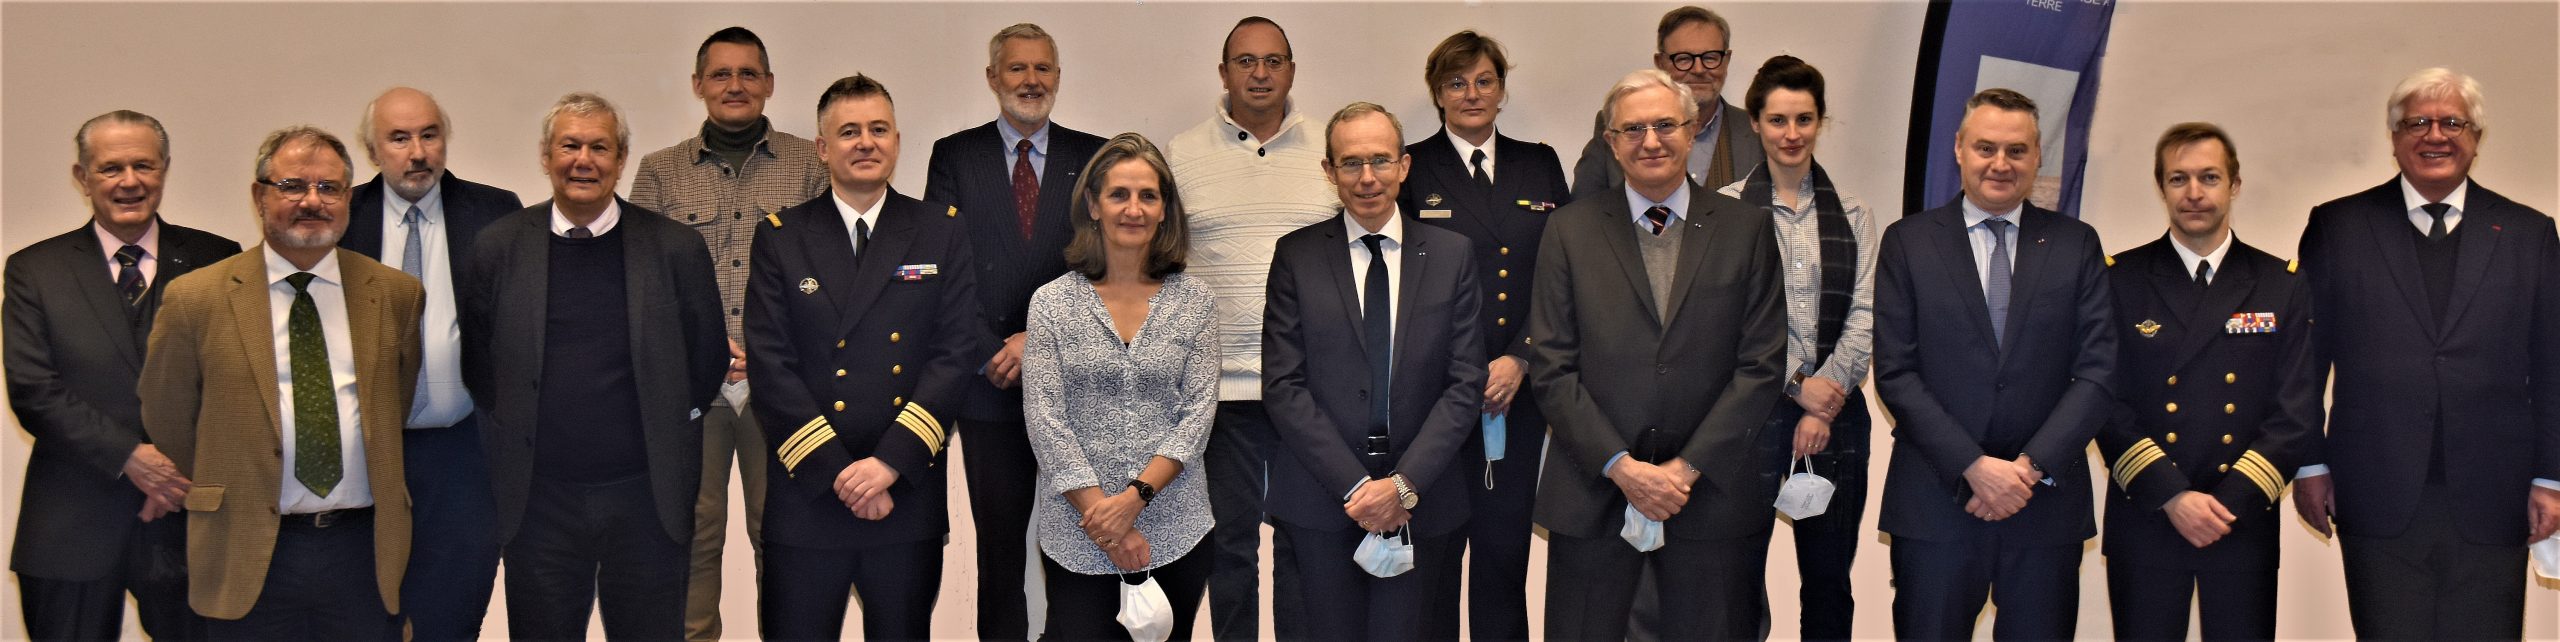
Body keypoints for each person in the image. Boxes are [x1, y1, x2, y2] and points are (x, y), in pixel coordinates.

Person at [2291, 67, 2560, 639]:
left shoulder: (2528, 233)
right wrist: (2310, 464)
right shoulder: (2339, 227)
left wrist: (2551, 477)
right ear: (2394, 138)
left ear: (2476, 138)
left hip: (2496, 492)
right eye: (2417, 123)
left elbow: (2553, 366)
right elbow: (2304, 360)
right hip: (2375, 488)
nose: (2435, 135)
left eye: (2452, 123)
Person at [1525, 68, 1787, 641]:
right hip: (1593, 493)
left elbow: (1762, 365)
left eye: (1666, 125)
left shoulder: (1746, 230)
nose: (1651, 141)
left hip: (1710, 497)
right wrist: (1623, 468)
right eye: (1633, 129)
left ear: (1691, 131)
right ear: (1611, 142)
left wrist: (1683, 471)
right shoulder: (1568, 231)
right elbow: (1552, 367)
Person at [460, 92, 726, 641]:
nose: (584, 160)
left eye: (600, 147)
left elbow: (706, 360)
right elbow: (480, 365)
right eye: (570, 146)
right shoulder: (499, 246)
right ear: (546, 156)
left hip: (647, 499)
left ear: (621, 158)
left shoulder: (675, 248)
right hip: (539, 502)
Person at [138, 125, 422, 640]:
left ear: (348, 198)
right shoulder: (196, 298)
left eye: (329, 188)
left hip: (362, 551)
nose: (312, 201)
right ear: (259, 195)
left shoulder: (395, 294)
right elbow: (168, 416)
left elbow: (394, 404)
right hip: (245, 546)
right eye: (292, 186)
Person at [1871, 88, 2117, 640]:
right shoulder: (1908, 242)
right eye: (1986, 148)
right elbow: (1896, 372)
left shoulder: (2076, 245)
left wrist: (2026, 469)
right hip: (1935, 502)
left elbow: (2098, 372)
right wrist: (1974, 467)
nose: (2000, 164)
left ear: (2037, 156)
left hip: (2044, 505)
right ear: (1959, 148)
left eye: (2017, 150)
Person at [744, 74, 980, 641]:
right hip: (808, 494)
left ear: (897, 141)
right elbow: (771, 367)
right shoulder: (781, 236)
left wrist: (888, 466)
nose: (866, 142)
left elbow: (953, 354)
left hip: (904, 491)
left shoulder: (940, 231)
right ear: (822, 148)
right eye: (849, 132)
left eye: (878, 129)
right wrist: (841, 476)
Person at [628, 29, 829, 640]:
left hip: (784, 390)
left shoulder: (810, 165)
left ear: (768, 84)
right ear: (698, 85)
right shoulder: (660, 172)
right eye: (720, 74)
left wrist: (767, 354)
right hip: (695, 391)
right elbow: (640, 280)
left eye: (748, 73)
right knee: (691, 534)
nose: (734, 85)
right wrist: (704, 351)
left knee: (784, 535)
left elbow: (830, 275)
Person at [8, 110, 236, 642]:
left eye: (143, 166)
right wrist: (132, 458)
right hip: (71, 524)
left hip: (189, 518)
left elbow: (234, 386)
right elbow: (33, 390)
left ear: (164, 169)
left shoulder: (218, 260)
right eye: (111, 168)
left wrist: (169, 473)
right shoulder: (34, 270)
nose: (129, 181)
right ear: (82, 177)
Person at [1263, 102, 1485, 641]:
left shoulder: (1453, 254)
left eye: (1381, 160)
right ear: (1329, 170)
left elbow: (1464, 385)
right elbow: (1284, 385)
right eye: (1351, 163)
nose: (1367, 177)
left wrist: (1402, 487)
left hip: (1425, 502)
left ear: (1404, 166)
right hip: (1322, 501)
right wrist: (1358, 486)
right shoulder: (1295, 255)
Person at [2095, 122, 2320, 641]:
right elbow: (2104, 400)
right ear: (2161, 187)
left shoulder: (2280, 283)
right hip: (2149, 512)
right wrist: (2173, 497)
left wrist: (2229, 503)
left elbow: (2295, 411)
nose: (2194, 192)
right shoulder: (2120, 280)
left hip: (2240, 516)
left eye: (2209, 177)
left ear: (2234, 185)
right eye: (2178, 179)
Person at [922, 24, 1109, 639]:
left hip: (1076, 384)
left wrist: (1040, 339)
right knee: (999, 547)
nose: (1031, 80)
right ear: (992, 77)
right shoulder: (955, 156)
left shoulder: (1095, 156)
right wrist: (991, 350)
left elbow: (1107, 263)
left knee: (1080, 542)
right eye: (1017, 68)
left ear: (1058, 76)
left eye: (1043, 68)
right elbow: (941, 264)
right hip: (989, 384)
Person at [1391, 32, 1570, 641]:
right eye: (1456, 82)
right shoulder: (1412, 165)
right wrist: (1467, 370)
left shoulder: (1538, 162)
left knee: (1503, 554)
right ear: (1438, 93)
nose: (1471, 93)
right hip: (1438, 392)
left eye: (1484, 80)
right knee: (1434, 556)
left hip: (1517, 393)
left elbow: (1562, 273)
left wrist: (1521, 357)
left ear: (1501, 89)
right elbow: (1404, 285)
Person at [1163, 16, 1335, 640]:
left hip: (1311, 390)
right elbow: (1166, 266)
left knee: (1304, 542)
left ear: (1292, 69)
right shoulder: (1182, 154)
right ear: (1224, 72)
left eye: (1272, 61)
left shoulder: (1329, 151)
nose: (1260, 74)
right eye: (1245, 61)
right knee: (1229, 548)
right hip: (1220, 393)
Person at [338, 86, 523, 641]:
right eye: (399, 139)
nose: (417, 152)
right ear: (372, 151)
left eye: (429, 135)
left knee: (456, 607)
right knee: (367, 608)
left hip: (465, 451)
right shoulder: (344, 216)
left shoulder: (496, 212)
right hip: (367, 451)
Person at [1019, 132, 1218, 642]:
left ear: (1164, 209)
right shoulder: (1051, 303)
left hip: (1175, 530)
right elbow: (1045, 420)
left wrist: (1135, 499)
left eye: (1148, 196)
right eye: (1119, 195)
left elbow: (1197, 415)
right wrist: (1108, 524)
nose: (1134, 209)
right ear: (1093, 205)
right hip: (1077, 534)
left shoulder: (1196, 301)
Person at [1711, 55, 1876, 642]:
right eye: (1777, 119)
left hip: (1838, 415)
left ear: (1819, 122)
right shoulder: (1723, 210)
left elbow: (1866, 313)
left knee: (1829, 582)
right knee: (1735, 580)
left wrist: (1824, 400)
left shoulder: (1853, 212)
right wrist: (1796, 386)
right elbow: (1727, 320)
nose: (1791, 133)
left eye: (1804, 119)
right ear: (1755, 122)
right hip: (1747, 415)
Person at [1570, 6, 1762, 201]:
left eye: (1710, 57)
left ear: (1726, 60)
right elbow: (1582, 210)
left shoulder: (1760, 132)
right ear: (1660, 63)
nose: (1698, 69)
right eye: (1684, 59)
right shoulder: (1616, 126)